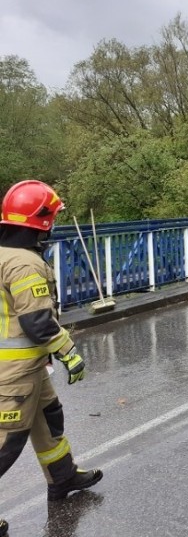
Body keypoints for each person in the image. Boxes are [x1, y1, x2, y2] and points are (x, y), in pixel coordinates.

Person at [0, 180, 103, 536]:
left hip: (26, 368)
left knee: (48, 419)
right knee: (6, 443)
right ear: (42, 222)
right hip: (12, 374)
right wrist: (68, 351)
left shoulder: (3, 255)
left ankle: (62, 478)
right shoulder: (25, 264)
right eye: (53, 218)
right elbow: (37, 321)